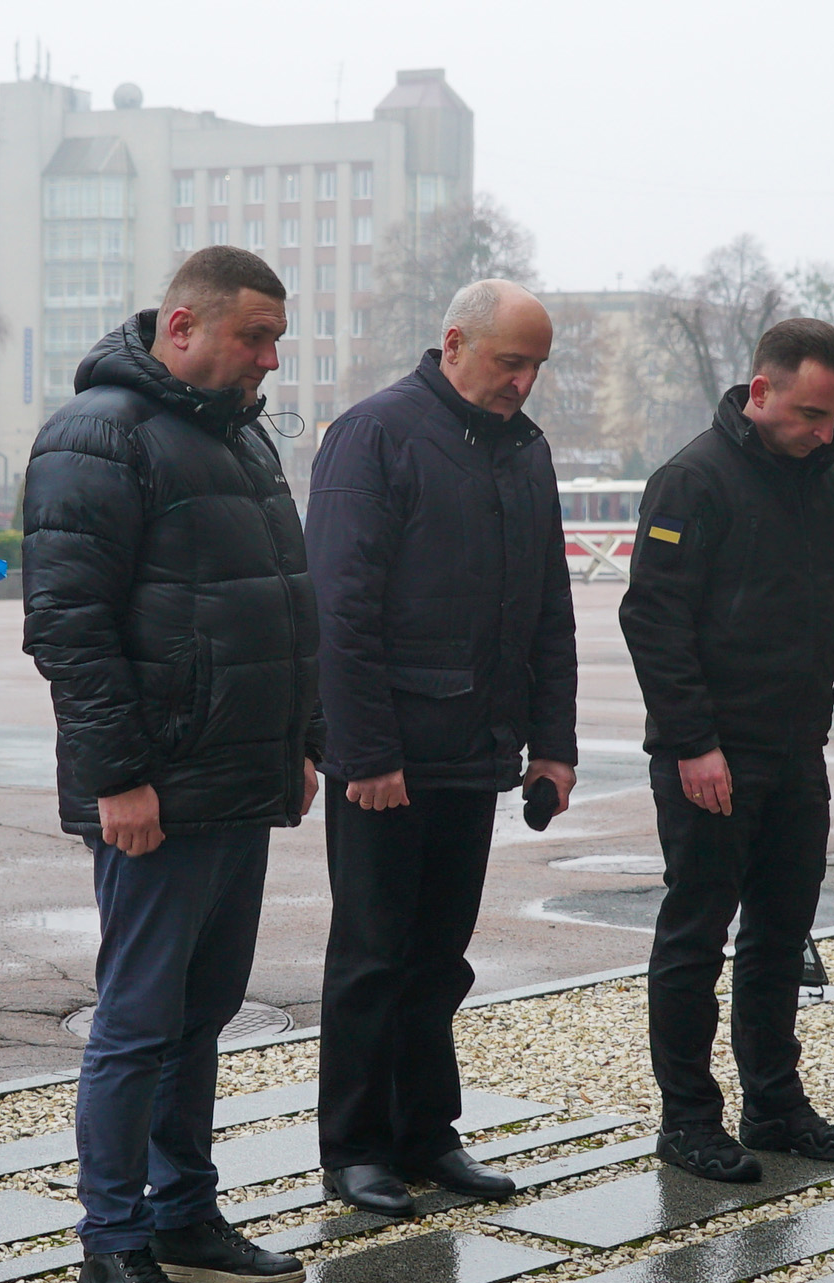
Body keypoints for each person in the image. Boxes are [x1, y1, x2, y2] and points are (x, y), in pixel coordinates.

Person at [22, 245, 321, 1283]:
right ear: (183, 327)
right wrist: (119, 776)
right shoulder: (95, 434)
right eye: (255, 337)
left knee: (203, 1012)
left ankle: (186, 1213)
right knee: (140, 1021)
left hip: (240, 779)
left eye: (275, 339)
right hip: (156, 788)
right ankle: (112, 1243)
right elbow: (67, 626)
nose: (269, 359)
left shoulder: (234, 431)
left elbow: (284, 596)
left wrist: (300, 738)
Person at [305, 279, 578, 1217]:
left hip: (475, 749)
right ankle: (354, 1146)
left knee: (440, 957)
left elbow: (549, 602)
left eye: (537, 365)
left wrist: (555, 742)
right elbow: (339, 610)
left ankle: (427, 1133)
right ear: (455, 342)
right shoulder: (372, 436)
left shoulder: (525, 450)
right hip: (391, 759)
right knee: (374, 954)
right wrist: (367, 753)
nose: (525, 382)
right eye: (512, 362)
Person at [619, 319, 834, 1186]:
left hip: (794, 750)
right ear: (761, 389)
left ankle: (774, 1104)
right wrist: (692, 743)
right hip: (711, 756)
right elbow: (653, 622)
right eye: (812, 414)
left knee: (781, 934)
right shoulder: (692, 480)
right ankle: (688, 1120)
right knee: (696, 936)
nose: (825, 433)